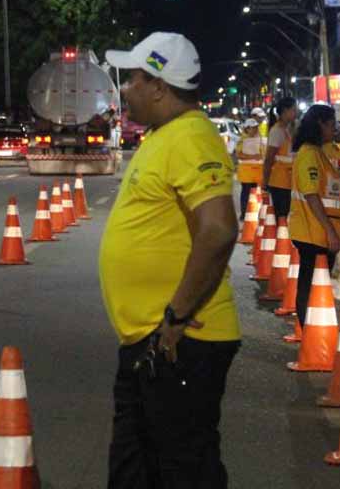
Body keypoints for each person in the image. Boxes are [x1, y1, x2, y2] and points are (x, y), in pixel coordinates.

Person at [99, 32, 241, 488]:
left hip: (179, 341)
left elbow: (218, 229)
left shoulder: (191, 137)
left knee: (183, 470)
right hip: (152, 340)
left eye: (133, 78)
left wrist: (178, 314)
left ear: (158, 86)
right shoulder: (166, 135)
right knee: (137, 469)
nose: (124, 88)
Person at [288, 104, 340, 329]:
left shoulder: (318, 152)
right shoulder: (310, 154)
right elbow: (311, 195)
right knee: (311, 285)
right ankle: (309, 331)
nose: (335, 129)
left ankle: (311, 331)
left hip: (318, 233)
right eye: (331, 124)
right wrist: (330, 231)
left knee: (313, 284)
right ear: (319, 124)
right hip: (314, 233)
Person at [263, 97, 298, 218]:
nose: (296, 113)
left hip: (287, 181)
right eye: (293, 110)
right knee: (281, 218)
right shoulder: (277, 131)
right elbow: (269, 159)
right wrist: (265, 182)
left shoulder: (286, 130)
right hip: (279, 182)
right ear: (285, 111)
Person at [236, 118, 264, 217]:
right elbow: (239, 155)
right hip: (246, 171)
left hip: (257, 170)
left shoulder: (260, 138)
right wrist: (253, 156)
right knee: (246, 192)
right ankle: (244, 213)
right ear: (247, 129)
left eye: (256, 128)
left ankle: (255, 212)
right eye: (253, 128)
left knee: (256, 192)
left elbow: (263, 152)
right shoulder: (242, 140)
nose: (255, 130)